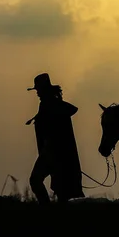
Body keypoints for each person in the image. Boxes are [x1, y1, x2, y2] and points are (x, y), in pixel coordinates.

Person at [25, 73, 85, 204]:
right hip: (52, 152)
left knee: (41, 181)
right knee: (58, 187)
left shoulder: (53, 104)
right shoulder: (50, 104)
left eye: (39, 89)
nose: (37, 93)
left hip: (54, 152)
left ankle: (47, 209)